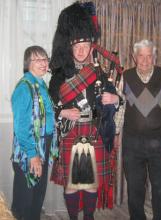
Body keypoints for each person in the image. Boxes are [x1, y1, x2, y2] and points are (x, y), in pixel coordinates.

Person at [49, 1, 123, 220]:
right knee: (72, 185)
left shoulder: (101, 73)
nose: (81, 50)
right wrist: (61, 112)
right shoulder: (59, 74)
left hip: (94, 131)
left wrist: (116, 99)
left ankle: (89, 217)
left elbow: (117, 100)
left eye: (85, 45)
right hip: (71, 132)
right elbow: (48, 104)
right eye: (76, 46)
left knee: (90, 184)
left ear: (92, 47)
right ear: (70, 48)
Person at [115, 39, 161, 220]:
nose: (145, 61)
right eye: (141, 56)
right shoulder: (125, 77)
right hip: (132, 142)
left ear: (154, 57)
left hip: (160, 143)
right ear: (134, 57)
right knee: (135, 189)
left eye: (149, 56)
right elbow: (120, 107)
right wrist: (116, 132)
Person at [11, 46, 58, 220]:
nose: (43, 63)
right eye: (37, 59)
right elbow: (21, 128)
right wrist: (33, 155)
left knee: (37, 198)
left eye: (45, 59)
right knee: (25, 202)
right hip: (28, 152)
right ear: (27, 64)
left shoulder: (41, 84)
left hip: (42, 147)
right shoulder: (24, 88)